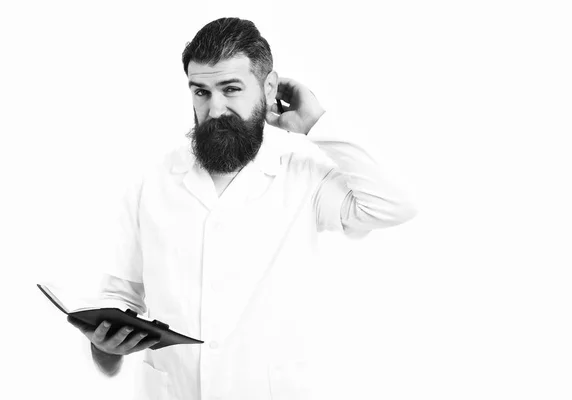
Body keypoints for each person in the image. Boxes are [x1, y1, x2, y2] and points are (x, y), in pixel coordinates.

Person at [68, 17, 417, 400]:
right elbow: (119, 301)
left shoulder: (302, 178)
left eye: (230, 89)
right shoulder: (152, 183)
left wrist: (315, 123)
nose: (214, 109)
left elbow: (393, 205)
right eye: (200, 92)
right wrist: (105, 346)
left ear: (268, 88)